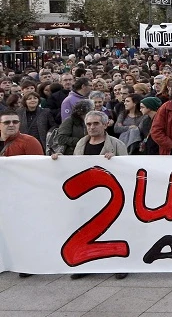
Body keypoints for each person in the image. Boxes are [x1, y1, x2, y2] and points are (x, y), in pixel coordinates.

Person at [53, 110, 128, 280]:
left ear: (105, 124)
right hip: (87, 196)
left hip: (109, 197)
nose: (92, 127)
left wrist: (116, 161)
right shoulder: (81, 143)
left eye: (96, 123)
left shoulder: (116, 144)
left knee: (115, 231)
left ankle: (120, 264)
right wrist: (59, 160)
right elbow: (75, 166)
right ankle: (86, 264)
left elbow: (127, 169)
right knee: (84, 232)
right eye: (88, 124)